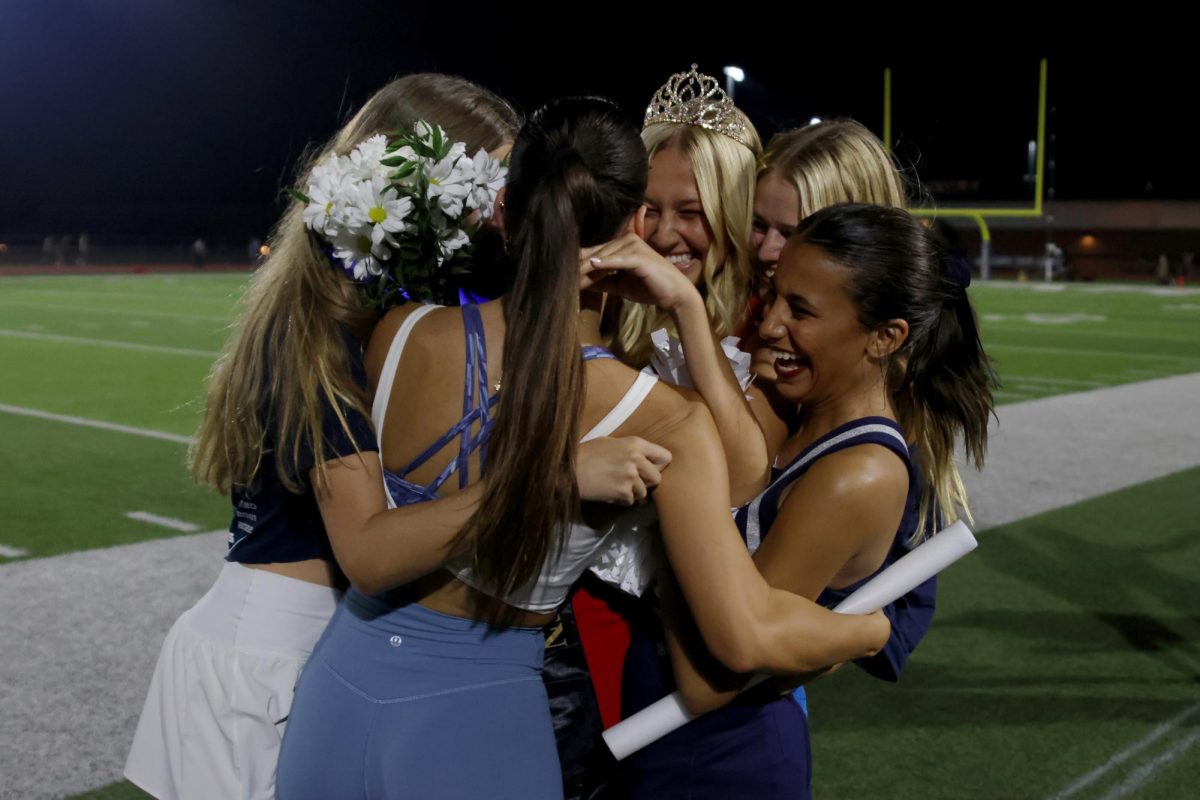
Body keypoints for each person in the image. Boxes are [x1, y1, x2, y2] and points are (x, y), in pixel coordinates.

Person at [274, 97, 890, 800]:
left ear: (505, 205)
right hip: (478, 720)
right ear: (632, 225)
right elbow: (745, 521)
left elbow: (372, 548)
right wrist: (869, 629)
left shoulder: (399, 329)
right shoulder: (663, 421)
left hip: (337, 695)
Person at [123, 73, 655, 800]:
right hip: (272, 658)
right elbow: (370, 548)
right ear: (419, 189)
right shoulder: (329, 331)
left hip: (310, 637)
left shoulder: (373, 307)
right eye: (487, 186)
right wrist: (551, 479)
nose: (505, 211)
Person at [616, 204, 996, 799]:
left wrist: (664, 516)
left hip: (716, 755)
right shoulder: (795, 406)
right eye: (774, 296)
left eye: (802, 311)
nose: (769, 324)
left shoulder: (858, 472)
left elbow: (713, 677)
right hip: (663, 735)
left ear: (885, 337)